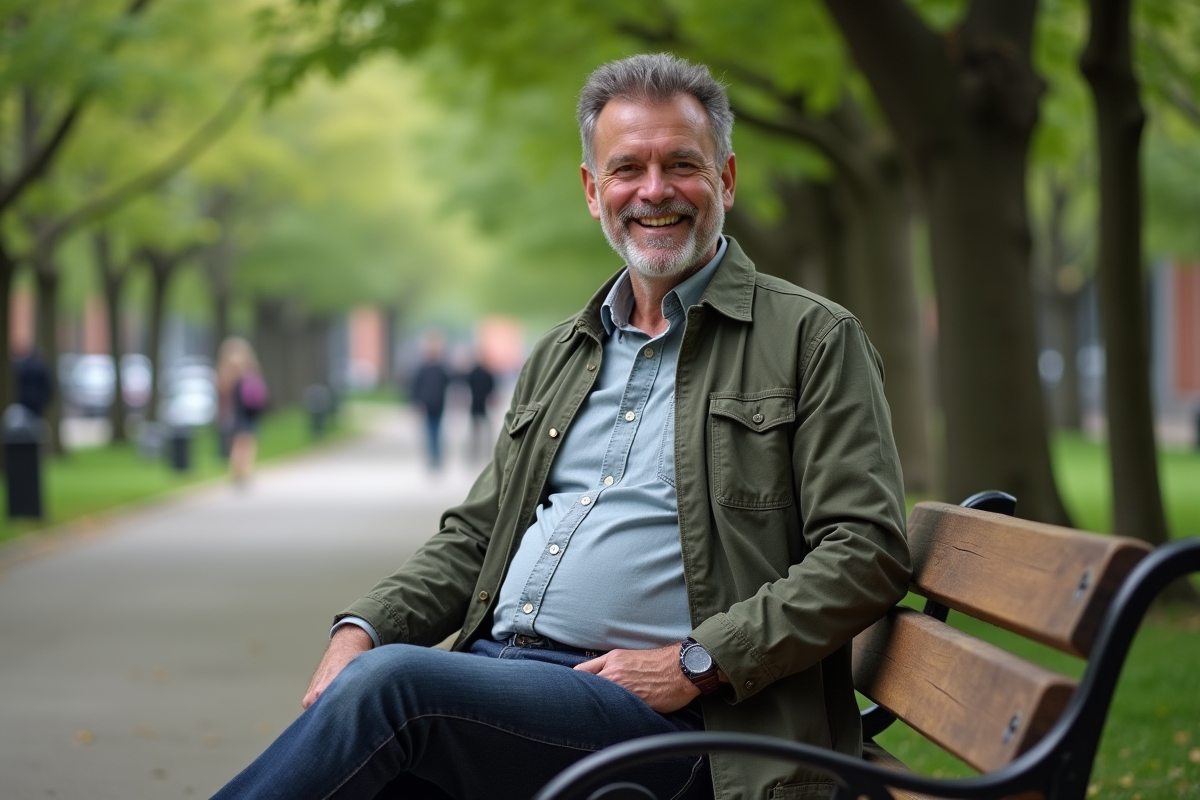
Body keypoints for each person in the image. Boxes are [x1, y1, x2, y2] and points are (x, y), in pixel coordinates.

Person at [213, 53, 911, 800]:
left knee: (393, 691)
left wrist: (697, 661)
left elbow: (866, 550)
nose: (654, 190)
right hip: (507, 682)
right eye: (627, 168)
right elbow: (476, 537)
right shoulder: (563, 353)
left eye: (682, 165)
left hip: (690, 724)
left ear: (727, 180)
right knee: (373, 722)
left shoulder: (811, 339)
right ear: (591, 191)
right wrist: (364, 627)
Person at [216, 337, 267, 485]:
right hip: (242, 413)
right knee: (244, 443)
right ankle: (242, 471)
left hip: (242, 413)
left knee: (242, 443)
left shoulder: (230, 373)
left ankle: (241, 471)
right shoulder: (246, 371)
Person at [408, 332, 451, 471]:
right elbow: (416, 387)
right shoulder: (426, 368)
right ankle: (434, 456)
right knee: (432, 430)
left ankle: (435, 456)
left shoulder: (439, 368)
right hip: (429, 404)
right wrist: (416, 402)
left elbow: (447, 383)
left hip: (437, 403)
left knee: (435, 430)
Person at [462, 351, 496, 463]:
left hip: (477, 404)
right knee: (483, 431)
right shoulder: (487, 373)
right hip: (482, 405)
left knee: (477, 432)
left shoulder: (474, 373)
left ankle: (476, 454)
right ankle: (483, 453)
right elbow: (492, 388)